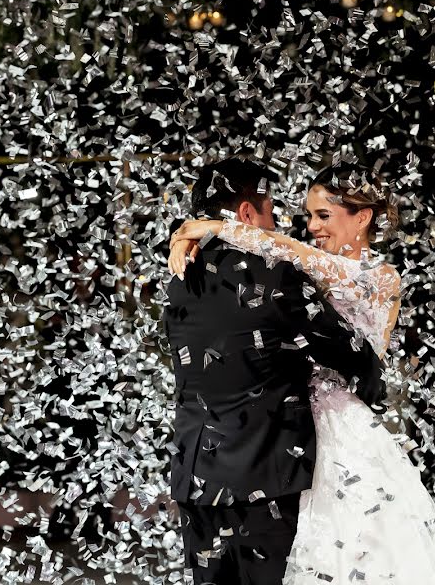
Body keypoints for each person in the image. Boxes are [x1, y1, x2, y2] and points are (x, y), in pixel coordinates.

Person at [169, 164, 435, 584]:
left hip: (322, 428)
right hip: (285, 440)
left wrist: (204, 228)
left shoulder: (373, 275)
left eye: (323, 215)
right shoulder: (287, 270)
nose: (310, 226)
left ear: (363, 217)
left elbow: (366, 358)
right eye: (308, 215)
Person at [162, 159, 385, 585]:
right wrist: (369, 391)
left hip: (196, 479)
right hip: (264, 482)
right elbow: (349, 351)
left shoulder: (179, 277)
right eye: (270, 212)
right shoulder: (275, 273)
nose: (278, 226)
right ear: (246, 215)